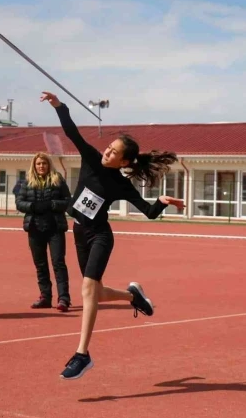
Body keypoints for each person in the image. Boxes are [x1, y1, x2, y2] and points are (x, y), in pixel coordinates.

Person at [41, 91, 181, 380]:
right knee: (97, 292)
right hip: (79, 233)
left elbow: (149, 212)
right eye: (109, 147)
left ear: (124, 160)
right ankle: (132, 296)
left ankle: (82, 354)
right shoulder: (91, 159)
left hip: (100, 236)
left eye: (114, 152)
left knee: (88, 291)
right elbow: (72, 133)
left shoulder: (121, 184)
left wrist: (162, 202)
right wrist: (60, 106)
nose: (107, 151)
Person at [15, 152, 72, 312]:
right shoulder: (27, 181)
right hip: (35, 228)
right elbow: (19, 202)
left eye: (44, 163)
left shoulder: (58, 179)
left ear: (49, 165)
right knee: (40, 264)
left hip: (55, 227)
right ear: (34, 165)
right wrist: (32, 207)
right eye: (38, 164)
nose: (41, 166)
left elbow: (68, 201)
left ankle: (64, 298)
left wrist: (52, 204)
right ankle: (45, 297)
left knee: (58, 263)